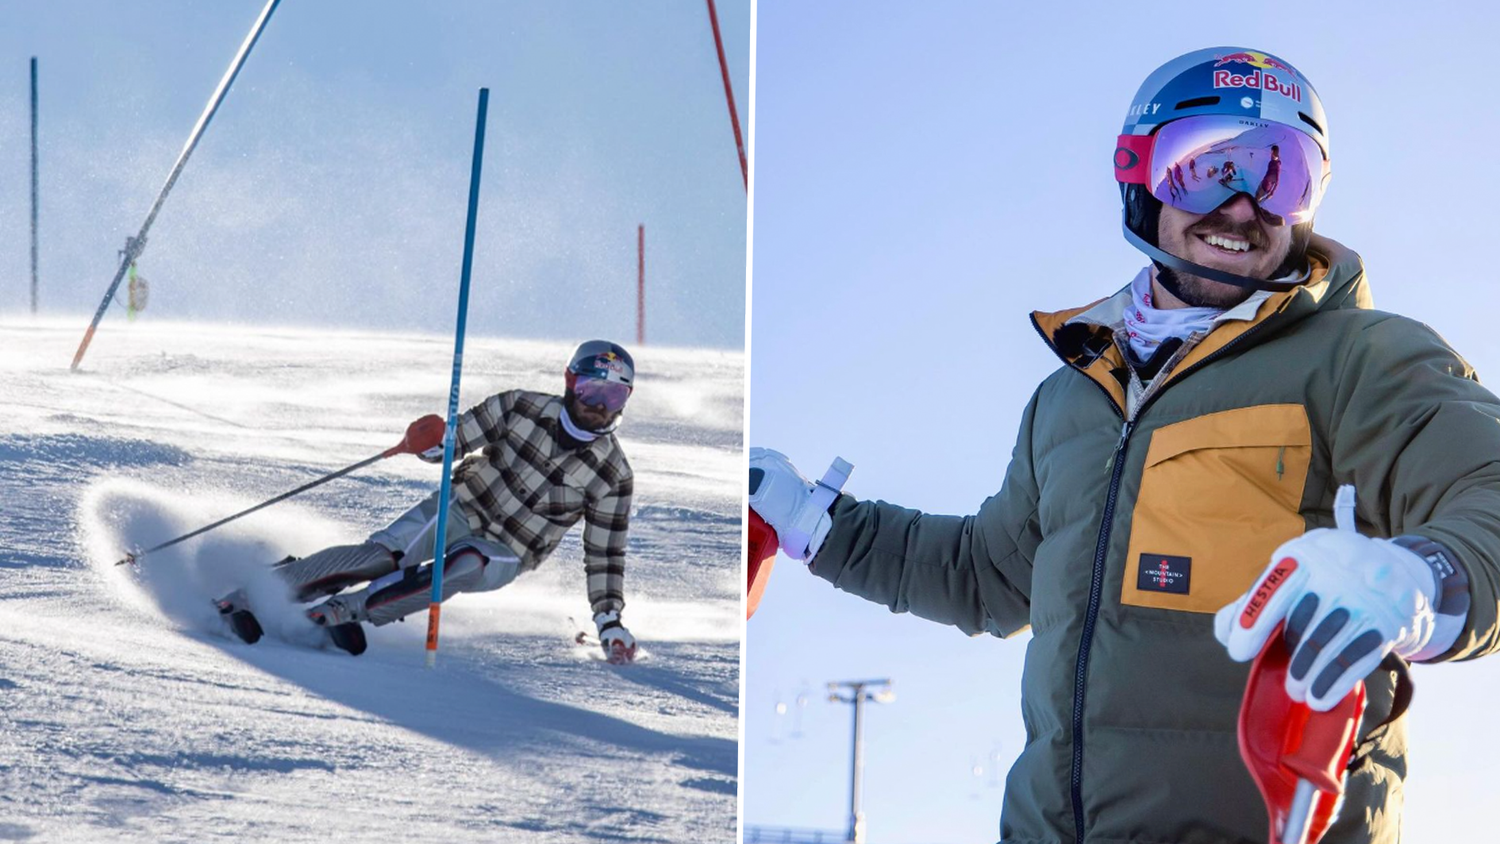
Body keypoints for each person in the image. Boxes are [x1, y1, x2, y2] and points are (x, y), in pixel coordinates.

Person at [750, 46, 1498, 842]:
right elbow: (992, 575)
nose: (1246, 206)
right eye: (1209, 169)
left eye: (1282, 174)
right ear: (1140, 173)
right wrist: (816, 523)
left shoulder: (1362, 358)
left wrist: (1427, 579)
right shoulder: (1072, 396)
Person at [219, 340, 639, 663]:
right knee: (382, 556)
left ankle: (342, 611)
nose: (600, 408)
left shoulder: (613, 474)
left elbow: (604, 555)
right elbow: (456, 439)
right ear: (570, 383)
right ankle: (253, 595)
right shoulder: (521, 406)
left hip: (509, 550)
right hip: (461, 505)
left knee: (462, 565)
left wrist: (608, 620)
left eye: (614, 398)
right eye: (591, 392)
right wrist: (434, 443)